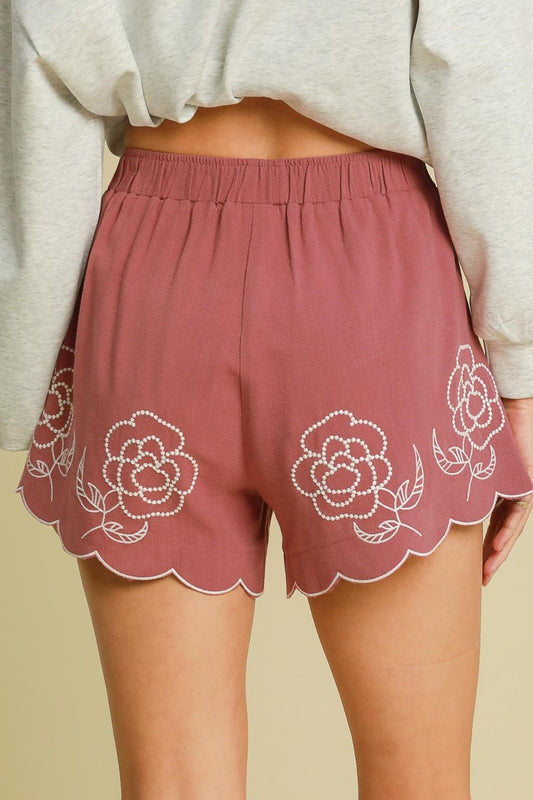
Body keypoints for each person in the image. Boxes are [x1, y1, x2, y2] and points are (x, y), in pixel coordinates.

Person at [2, 2, 533, 799]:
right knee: (418, 779)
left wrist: (17, 379)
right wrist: (521, 370)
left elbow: (45, 48)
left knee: (173, 783)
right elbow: (477, 61)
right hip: (369, 278)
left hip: (154, 285)